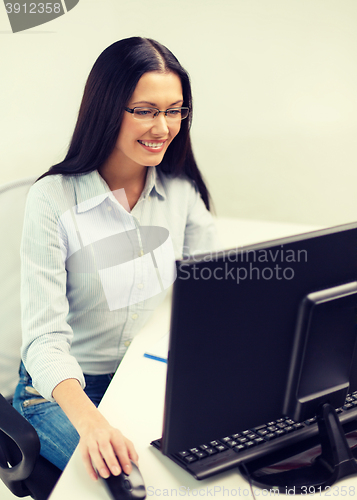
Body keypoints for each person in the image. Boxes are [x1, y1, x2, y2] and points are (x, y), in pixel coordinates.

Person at [13, 37, 217, 482]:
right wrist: (94, 424)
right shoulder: (52, 199)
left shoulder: (181, 193)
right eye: (145, 110)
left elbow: (213, 296)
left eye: (174, 110)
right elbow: (44, 340)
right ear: (107, 110)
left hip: (142, 379)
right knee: (138, 482)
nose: (163, 127)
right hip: (60, 393)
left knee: (204, 472)